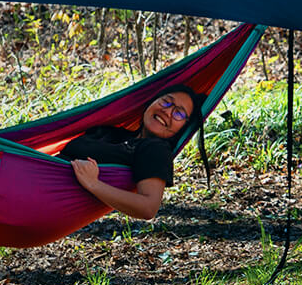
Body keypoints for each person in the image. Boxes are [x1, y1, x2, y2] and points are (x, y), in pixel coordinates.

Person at [59, 86, 199, 220]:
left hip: (53, 193)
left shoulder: (156, 149)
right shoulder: (117, 133)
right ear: (153, 101)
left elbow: (148, 207)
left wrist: (93, 184)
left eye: (179, 114)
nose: (167, 112)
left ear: (183, 129)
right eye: (166, 101)